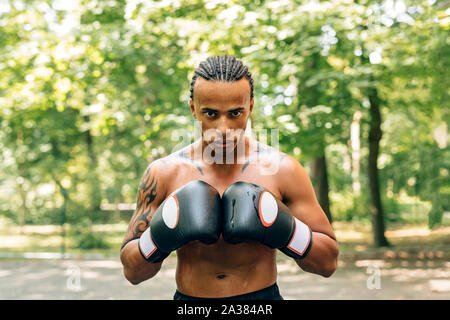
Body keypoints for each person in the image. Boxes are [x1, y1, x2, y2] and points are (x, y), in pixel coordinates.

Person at [120, 54, 339, 300]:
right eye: (211, 114)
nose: (223, 129)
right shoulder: (164, 173)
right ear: (193, 108)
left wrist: (287, 231)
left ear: (251, 108)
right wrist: (159, 237)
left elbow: (327, 263)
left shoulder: (283, 170)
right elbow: (133, 271)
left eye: (235, 114)